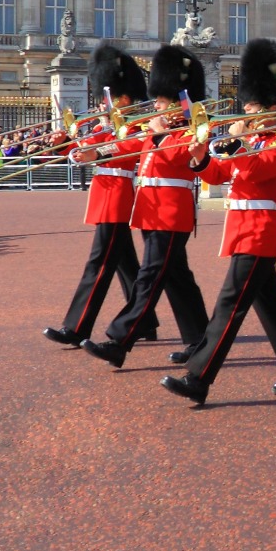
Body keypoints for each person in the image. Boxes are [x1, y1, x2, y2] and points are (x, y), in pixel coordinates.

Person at [160, 39, 276, 405]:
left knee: (230, 303)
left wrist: (238, 144)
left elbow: (254, 172)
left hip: (260, 232)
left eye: (250, 104)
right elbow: (221, 175)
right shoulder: (252, 141)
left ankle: (199, 377)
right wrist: (202, 158)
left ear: (270, 107)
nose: (244, 110)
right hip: (245, 229)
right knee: (270, 304)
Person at [81, 45, 213, 369]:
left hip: (171, 214)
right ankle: (200, 341)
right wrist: (96, 153)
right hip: (152, 212)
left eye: (161, 100)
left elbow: (177, 157)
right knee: (177, 278)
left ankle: (119, 339)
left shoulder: (192, 128)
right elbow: (127, 145)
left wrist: (160, 134)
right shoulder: (157, 129)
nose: (155, 104)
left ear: (178, 101)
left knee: (150, 277)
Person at [42, 45, 158, 349]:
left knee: (100, 264)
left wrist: (96, 147)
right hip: (105, 196)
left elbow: (127, 148)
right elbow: (82, 148)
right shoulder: (104, 125)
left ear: (124, 99)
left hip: (118, 197)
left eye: (112, 99)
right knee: (123, 262)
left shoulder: (137, 126)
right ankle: (145, 321)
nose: (105, 104)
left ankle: (77, 326)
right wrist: (62, 143)